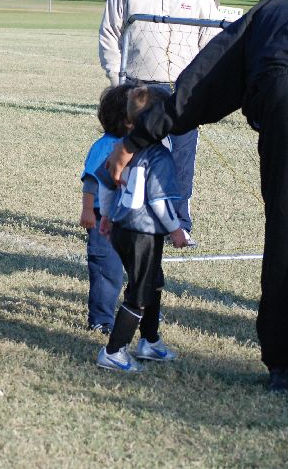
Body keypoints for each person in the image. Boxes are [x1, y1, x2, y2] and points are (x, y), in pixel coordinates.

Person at [105, 0, 288, 411]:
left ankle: (285, 368)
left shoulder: (267, 12)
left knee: (283, 236)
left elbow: (203, 81)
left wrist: (136, 139)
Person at [98, 0, 218, 245]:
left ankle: (179, 223)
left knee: (181, 159)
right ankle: (127, 219)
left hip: (181, 91)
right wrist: (117, 81)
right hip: (138, 89)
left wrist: (201, 86)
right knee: (134, 155)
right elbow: (109, 33)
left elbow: (211, 41)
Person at [95, 85, 188, 373]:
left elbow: (105, 182)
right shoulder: (159, 156)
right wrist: (176, 229)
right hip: (142, 233)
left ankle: (149, 340)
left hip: (122, 228)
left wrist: (106, 216)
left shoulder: (122, 150)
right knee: (140, 291)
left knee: (153, 281)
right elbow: (159, 202)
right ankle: (113, 351)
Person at [79, 85, 130, 334]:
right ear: (125, 119)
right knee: (106, 270)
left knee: (138, 269)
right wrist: (87, 210)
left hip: (130, 218)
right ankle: (101, 319)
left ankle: (140, 310)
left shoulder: (136, 144)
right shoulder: (105, 147)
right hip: (103, 220)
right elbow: (91, 180)